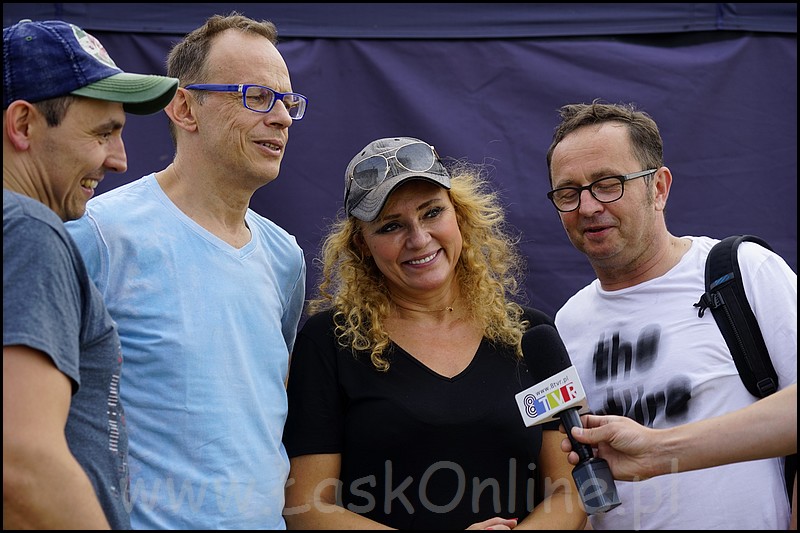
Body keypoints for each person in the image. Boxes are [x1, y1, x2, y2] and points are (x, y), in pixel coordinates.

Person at [64, 13, 307, 529]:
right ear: (184, 107)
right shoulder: (100, 235)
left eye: (288, 102)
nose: (282, 118)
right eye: (257, 97)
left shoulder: (284, 256)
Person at [282, 136, 587, 530]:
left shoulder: (531, 336)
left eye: (432, 212)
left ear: (458, 215)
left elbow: (571, 489)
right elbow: (306, 507)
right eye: (391, 226)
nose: (419, 239)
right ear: (362, 245)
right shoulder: (329, 342)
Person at [545, 100, 797, 530]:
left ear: (658, 188)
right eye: (568, 193)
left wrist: (659, 450)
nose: (587, 207)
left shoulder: (739, 271)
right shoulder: (565, 324)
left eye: (608, 184)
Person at [3, 19, 178, 529]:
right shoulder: (27, 229)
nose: (120, 160)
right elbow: (22, 462)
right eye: (103, 133)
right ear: (23, 125)